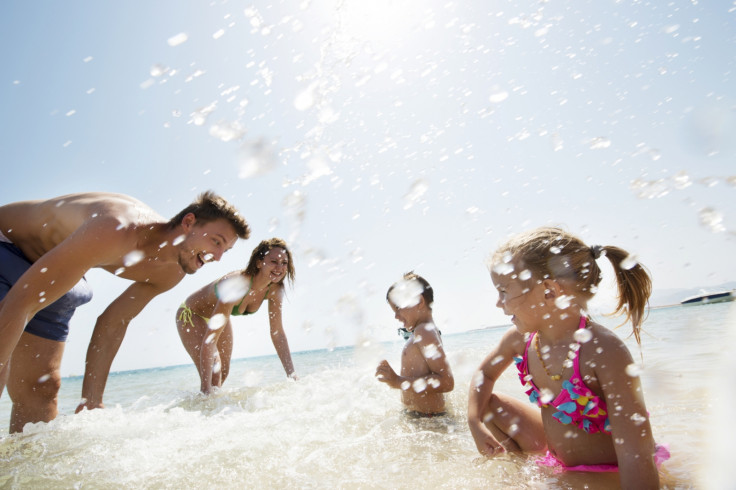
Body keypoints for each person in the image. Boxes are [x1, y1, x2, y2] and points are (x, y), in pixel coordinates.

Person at [0, 191, 249, 433]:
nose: (217, 257)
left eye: (224, 251)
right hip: (7, 245)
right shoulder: (117, 227)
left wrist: (92, 401)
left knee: (41, 389)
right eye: (216, 242)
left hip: (60, 270)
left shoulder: (171, 272)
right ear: (188, 222)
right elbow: (19, 304)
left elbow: (114, 322)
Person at [467, 227, 669, 489]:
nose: (498, 302)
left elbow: (636, 454)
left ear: (549, 290)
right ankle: (521, 479)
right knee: (491, 407)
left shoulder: (603, 351)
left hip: (609, 474)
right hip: (558, 461)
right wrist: (473, 421)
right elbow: (485, 375)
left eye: (504, 291)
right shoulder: (520, 340)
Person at [177, 238, 297, 393]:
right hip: (191, 314)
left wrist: (291, 376)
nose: (279, 267)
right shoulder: (236, 285)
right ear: (259, 263)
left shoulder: (275, 289)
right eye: (274, 261)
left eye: (284, 263)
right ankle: (202, 403)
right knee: (214, 375)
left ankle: (211, 410)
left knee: (223, 372)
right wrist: (205, 391)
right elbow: (210, 340)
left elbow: (277, 333)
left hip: (219, 316)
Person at [375, 272, 454, 417]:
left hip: (429, 419)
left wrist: (399, 381)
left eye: (398, 308)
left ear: (419, 301)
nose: (396, 316)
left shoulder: (424, 332)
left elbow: (447, 381)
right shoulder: (423, 331)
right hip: (422, 417)